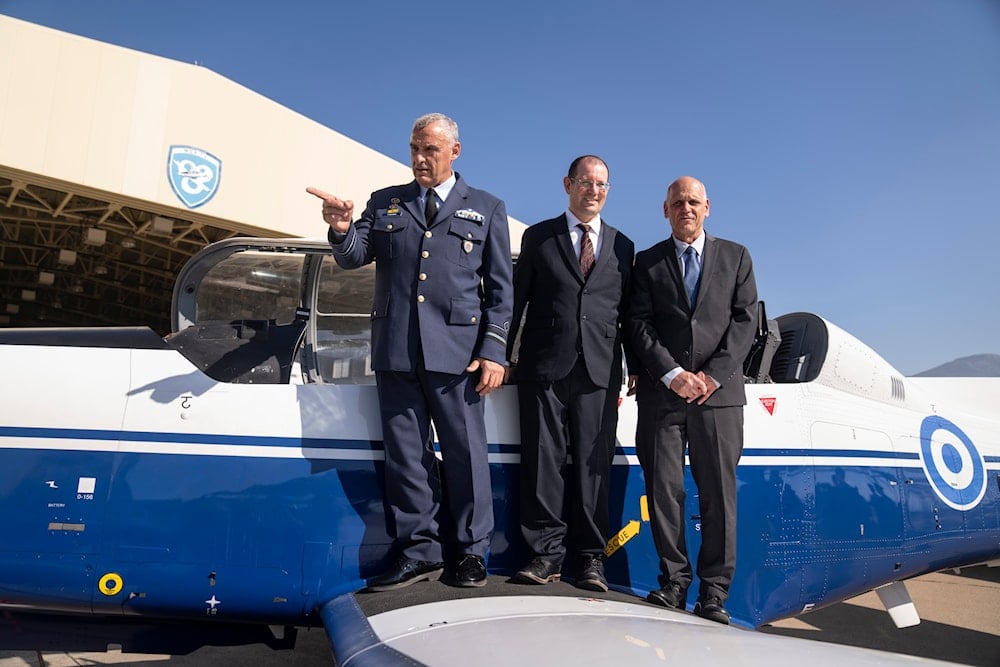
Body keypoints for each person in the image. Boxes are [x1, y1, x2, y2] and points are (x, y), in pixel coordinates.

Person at [306, 113, 513, 591]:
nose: (421, 158)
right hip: (397, 349)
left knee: (465, 456)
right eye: (416, 148)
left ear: (454, 153)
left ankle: (470, 553)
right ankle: (420, 551)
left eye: (431, 151)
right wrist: (340, 228)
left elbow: (501, 290)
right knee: (406, 457)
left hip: (459, 356)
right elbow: (354, 256)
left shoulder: (486, 207)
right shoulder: (386, 202)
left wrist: (495, 352)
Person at [627, 176, 757, 624]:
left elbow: (745, 322)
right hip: (663, 397)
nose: (686, 208)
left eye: (693, 201)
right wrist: (673, 374)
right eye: (677, 202)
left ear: (708, 207)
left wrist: (712, 377)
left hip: (718, 400)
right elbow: (638, 325)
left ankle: (714, 593)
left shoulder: (736, 257)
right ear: (665, 211)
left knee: (718, 496)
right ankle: (673, 583)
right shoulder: (646, 263)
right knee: (664, 492)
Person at [506, 155, 636, 592]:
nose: (593, 191)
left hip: (600, 371)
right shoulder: (539, 237)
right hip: (544, 366)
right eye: (586, 182)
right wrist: (500, 356)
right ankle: (544, 554)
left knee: (592, 466)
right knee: (542, 462)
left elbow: (630, 315)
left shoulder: (623, 246)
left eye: (601, 184)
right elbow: (515, 302)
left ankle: (589, 558)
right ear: (568, 184)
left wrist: (634, 366)